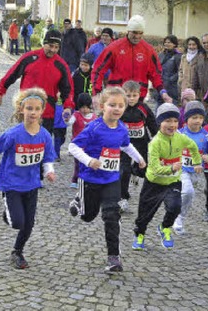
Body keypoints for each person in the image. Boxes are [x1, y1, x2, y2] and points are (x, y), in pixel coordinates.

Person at [68, 86, 145, 273]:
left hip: (111, 179)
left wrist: (140, 158)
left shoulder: (121, 128)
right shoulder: (94, 128)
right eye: (112, 105)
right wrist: (89, 160)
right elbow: (72, 147)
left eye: (120, 105)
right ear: (102, 106)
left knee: (111, 215)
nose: (117, 109)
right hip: (90, 179)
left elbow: (126, 146)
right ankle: (79, 200)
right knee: (88, 216)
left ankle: (114, 258)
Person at [0, 87, 57, 269]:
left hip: (31, 184)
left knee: (28, 224)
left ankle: (18, 252)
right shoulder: (13, 134)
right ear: (21, 109)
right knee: (17, 222)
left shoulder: (45, 135)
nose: (33, 112)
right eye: (29, 108)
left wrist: (49, 171)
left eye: (37, 109)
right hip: (12, 184)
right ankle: (8, 213)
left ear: (42, 111)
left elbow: (47, 157)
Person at [131, 103, 201, 251]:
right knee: (144, 214)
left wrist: (197, 162)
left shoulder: (180, 138)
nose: (172, 125)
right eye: (168, 121)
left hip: (173, 181)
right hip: (154, 182)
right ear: (159, 122)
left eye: (175, 121)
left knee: (175, 207)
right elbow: (155, 168)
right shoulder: (155, 143)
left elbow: (193, 146)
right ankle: (140, 235)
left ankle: (165, 227)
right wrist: (171, 168)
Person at [0, 30, 74, 133]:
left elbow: (68, 89)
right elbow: (12, 74)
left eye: (56, 47)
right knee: (23, 143)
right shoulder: (29, 58)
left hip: (47, 112)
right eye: (50, 46)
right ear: (44, 43)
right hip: (26, 109)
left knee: (43, 145)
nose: (53, 50)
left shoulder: (61, 65)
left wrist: (67, 107)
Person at [91, 15, 173, 104]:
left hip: (138, 98)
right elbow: (98, 69)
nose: (137, 36)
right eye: (134, 32)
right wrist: (96, 93)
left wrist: (163, 92)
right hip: (117, 97)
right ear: (128, 30)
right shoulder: (114, 48)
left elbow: (156, 74)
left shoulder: (148, 50)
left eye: (140, 33)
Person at [174, 101, 208, 235]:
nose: (197, 121)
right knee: (188, 192)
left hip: (196, 172)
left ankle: (180, 216)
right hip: (181, 170)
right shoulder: (179, 134)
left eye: (200, 118)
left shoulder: (206, 136)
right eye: (194, 118)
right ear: (186, 119)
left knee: (188, 196)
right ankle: (178, 219)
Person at [119, 80, 157, 214]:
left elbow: (152, 124)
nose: (131, 99)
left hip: (141, 143)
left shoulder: (143, 108)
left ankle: (135, 172)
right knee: (124, 170)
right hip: (124, 145)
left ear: (139, 95)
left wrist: (157, 138)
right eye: (128, 96)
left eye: (134, 95)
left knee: (143, 169)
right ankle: (123, 198)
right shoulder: (120, 108)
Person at [66, 93, 97, 188]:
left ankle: (85, 179)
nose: (84, 110)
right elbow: (69, 122)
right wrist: (67, 118)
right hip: (78, 145)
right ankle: (75, 180)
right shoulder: (76, 115)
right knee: (78, 164)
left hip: (89, 145)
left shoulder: (94, 117)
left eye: (86, 107)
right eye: (82, 107)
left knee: (88, 162)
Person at [158, 35, 182, 104]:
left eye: (169, 42)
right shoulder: (161, 55)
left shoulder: (178, 56)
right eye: (166, 42)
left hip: (172, 88)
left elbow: (180, 71)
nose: (167, 44)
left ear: (174, 44)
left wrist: (171, 79)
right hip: (160, 86)